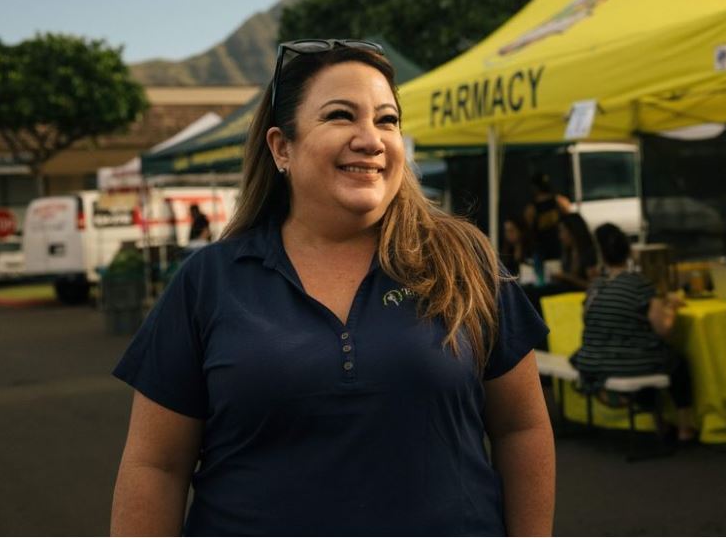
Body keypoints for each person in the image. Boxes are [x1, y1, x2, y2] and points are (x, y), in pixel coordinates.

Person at [109, 39, 555, 536]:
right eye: (341, 116)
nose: (371, 139)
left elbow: (522, 428)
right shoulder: (207, 282)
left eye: (387, 120)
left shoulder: (462, 261)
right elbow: (156, 467)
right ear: (282, 147)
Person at [570, 223, 697, 443]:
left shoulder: (595, 287)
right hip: (625, 363)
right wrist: (673, 307)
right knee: (673, 361)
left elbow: (587, 320)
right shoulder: (640, 285)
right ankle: (685, 427)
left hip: (592, 362)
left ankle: (659, 424)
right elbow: (664, 328)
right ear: (628, 251)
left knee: (645, 352)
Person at [524, 174, 572, 263]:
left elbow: (528, 230)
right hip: (551, 245)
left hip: (552, 245)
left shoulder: (558, 201)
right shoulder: (559, 201)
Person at [551, 212, 598, 291]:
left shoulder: (589, 253)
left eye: (562, 231)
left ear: (573, 231)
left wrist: (567, 277)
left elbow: (592, 286)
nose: (560, 236)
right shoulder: (568, 252)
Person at [500, 214, 532, 278]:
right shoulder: (504, 252)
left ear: (520, 230)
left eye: (511, 230)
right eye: (506, 231)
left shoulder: (530, 249)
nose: (508, 234)